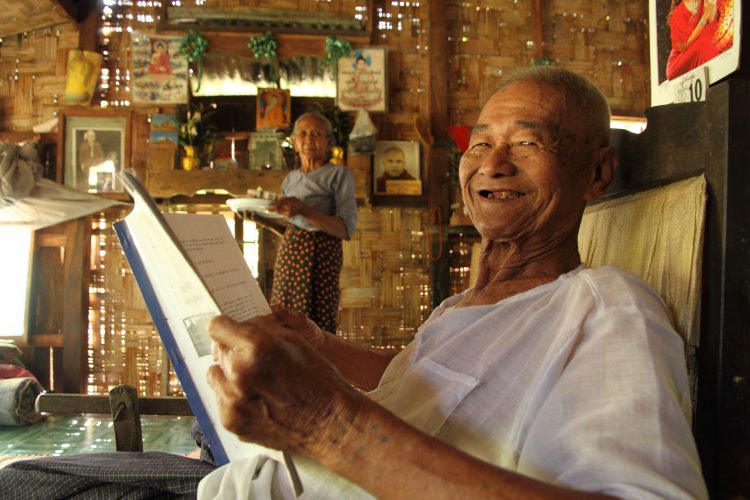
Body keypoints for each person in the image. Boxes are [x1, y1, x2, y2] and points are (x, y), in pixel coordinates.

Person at [199, 67, 708, 499]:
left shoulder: (606, 309)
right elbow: (416, 380)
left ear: (597, 173)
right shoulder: (459, 307)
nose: (492, 163)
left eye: (527, 143)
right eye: (481, 142)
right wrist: (319, 343)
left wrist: (330, 425)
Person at [253, 111, 357, 333]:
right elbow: (293, 226)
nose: (309, 139)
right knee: (284, 318)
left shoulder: (339, 175)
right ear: (294, 142)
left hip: (322, 256)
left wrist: (303, 209)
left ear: (329, 142)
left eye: (316, 133)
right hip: (291, 254)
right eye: (303, 133)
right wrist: (263, 219)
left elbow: (345, 228)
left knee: (317, 324)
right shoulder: (290, 179)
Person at [666, 0, 720, 80]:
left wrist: (711, 6)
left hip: (702, 49)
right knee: (703, 44)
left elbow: (711, 23)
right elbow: (685, 45)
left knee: (706, 45)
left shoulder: (702, 2)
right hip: (677, 63)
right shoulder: (678, 13)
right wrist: (705, 15)